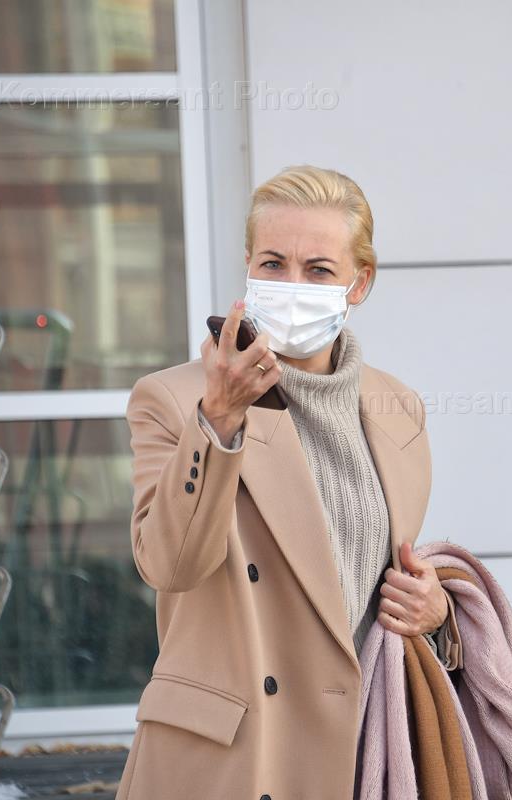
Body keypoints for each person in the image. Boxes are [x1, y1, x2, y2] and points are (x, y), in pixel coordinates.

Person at [115, 165, 460, 799]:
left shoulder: (397, 406)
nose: (292, 285)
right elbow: (170, 565)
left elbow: (374, 575)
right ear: (248, 266)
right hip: (240, 757)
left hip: (367, 747)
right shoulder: (174, 398)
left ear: (359, 283)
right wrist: (219, 419)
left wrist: (434, 610)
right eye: (273, 264)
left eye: (319, 270)